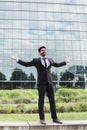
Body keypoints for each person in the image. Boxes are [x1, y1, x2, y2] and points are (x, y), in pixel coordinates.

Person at [11, 46, 71, 125]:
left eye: (45, 50)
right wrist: (17, 59)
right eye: (42, 50)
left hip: (50, 83)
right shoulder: (36, 60)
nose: (44, 51)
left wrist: (65, 62)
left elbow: (57, 64)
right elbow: (26, 64)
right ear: (39, 52)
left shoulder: (50, 59)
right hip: (41, 83)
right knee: (41, 101)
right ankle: (42, 119)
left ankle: (55, 118)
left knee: (52, 101)